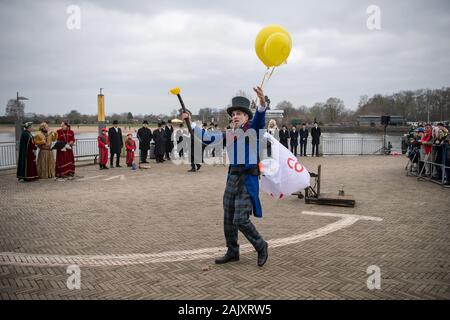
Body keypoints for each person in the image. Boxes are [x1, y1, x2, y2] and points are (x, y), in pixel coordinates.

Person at [182, 86, 269, 267]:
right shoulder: (229, 134)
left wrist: (262, 103)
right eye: (233, 113)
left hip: (247, 180)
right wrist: (190, 121)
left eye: (239, 113)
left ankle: (261, 245)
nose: (235, 116)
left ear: (246, 117)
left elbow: (260, 118)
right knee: (228, 218)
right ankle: (232, 251)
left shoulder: (254, 130)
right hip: (232, 178)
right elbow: (207, 137)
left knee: (240, 220)